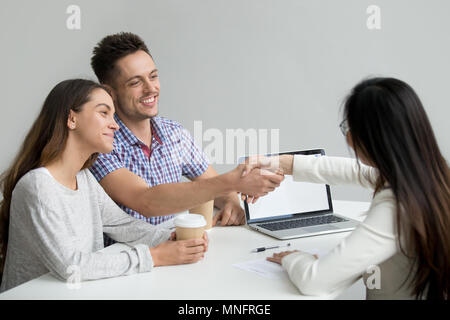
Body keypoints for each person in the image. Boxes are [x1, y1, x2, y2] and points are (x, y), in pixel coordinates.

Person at [0, 79, 274, 292]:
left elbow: (124, 225)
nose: (114, 125)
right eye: (104, 113)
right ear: (71, 118)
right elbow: (71, 265)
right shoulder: (38, 185)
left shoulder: (84, 179)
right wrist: (154, 256)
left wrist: (167, 240)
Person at [243, 77, 450, 300]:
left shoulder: (396, 208)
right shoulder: (431, 175)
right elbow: (350, 170)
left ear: (369, 139)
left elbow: (315, 281)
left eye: (349, 128)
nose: (348, 137)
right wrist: (275, 162)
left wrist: (292, 259)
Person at [89, 32, 284, 246]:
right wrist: (234, 181)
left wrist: (230, 201)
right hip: (128, 264)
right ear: (110, 92)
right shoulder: (100, 143)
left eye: (153, 76)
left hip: (175, 251)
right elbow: (146, 200)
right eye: (136, 82)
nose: (151, 88)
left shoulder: (173, 133)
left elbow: (212, 185)